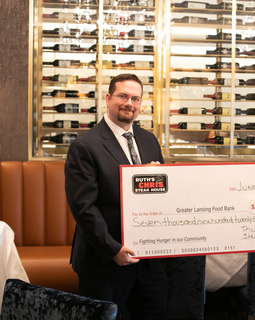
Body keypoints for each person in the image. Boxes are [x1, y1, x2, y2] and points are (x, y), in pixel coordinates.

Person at [64, 74, 167, 320]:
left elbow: (164, 196)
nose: (129, 103)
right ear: (108, 98)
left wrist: (160, 181)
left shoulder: (149, 139)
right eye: (122, 96)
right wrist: (113, 249)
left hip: (148, 260)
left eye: (135, 98)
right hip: (104, 262)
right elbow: (83, 207)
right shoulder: (85, 145)